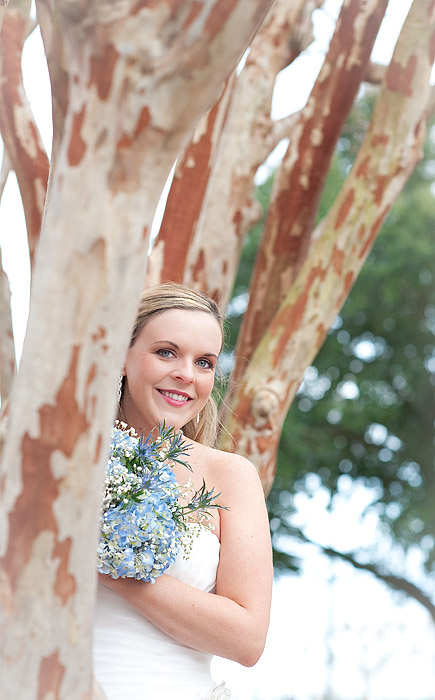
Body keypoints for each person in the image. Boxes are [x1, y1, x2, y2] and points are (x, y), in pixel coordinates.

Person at [93, 283, 273, 700]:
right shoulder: (63, 458)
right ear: (122, 356)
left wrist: (110, 562)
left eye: (205, 362)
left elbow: (247, 640)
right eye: (166, 352)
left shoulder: (231, 477)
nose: (186, 375)